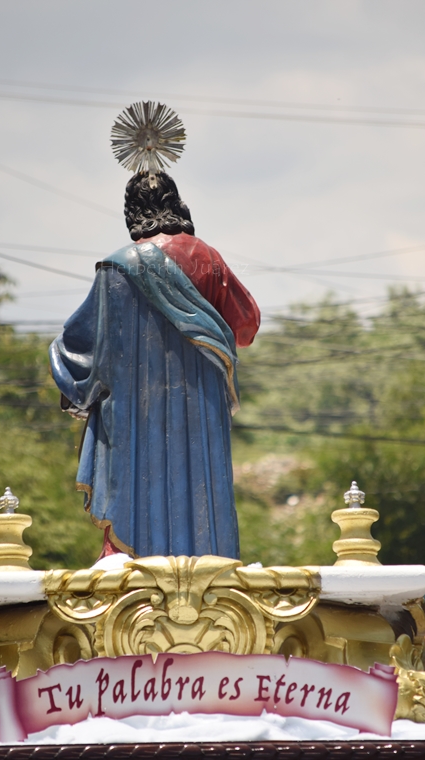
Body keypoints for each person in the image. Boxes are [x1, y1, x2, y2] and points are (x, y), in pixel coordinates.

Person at [50, 171, 260, 560]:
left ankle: (128, 561)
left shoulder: (116, 268)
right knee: (201, 484)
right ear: (177, 204)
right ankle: (210, 568)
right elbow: (246, 324)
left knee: (134, 481)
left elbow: (80, 347)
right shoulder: (208, 259)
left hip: (134, 412)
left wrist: (63, 365)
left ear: (133, 212)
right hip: (201, 409)